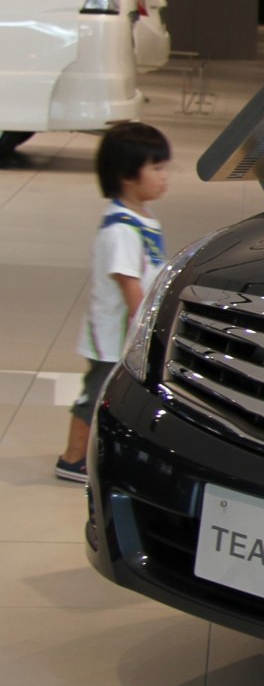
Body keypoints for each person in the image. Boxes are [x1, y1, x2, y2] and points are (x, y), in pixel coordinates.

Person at [56, 122, 170, 483]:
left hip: (125, 335)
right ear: (126, 175)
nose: (164, 177)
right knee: (95, 394)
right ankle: (72, 458)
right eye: (156, 168)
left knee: (115, 394)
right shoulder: (120, 229)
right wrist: (147, 326)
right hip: (112, 336)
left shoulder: (143, 218)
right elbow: (129, 285)